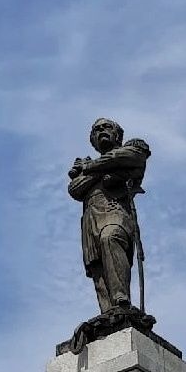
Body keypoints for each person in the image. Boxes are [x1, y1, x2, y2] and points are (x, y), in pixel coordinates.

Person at [68, 118, 150, 314]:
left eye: (106, 127)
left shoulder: (133, 146)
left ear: (117, 134)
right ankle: (109, 313)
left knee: (110, 238)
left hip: (116, 210)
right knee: (97, 266)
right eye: (96, 130)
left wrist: (89, 168)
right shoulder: (103, 164)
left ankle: (121, 299)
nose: (101, 131)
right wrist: (105, 169)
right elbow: (75, 189)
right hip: (90, 217)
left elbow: (132, 157)